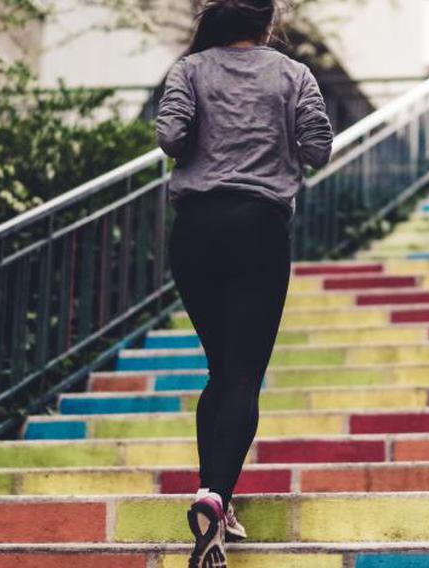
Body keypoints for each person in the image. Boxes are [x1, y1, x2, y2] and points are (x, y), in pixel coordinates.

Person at [155, 1, 334, 566]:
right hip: (258, 229)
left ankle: (215, 494)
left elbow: (171, 137)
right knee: (242, 376)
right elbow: (318, 148)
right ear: (267, 23)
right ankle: (215, 495)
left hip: (195, 231)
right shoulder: (293, 74)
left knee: (221, 371)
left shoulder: (189, 69)